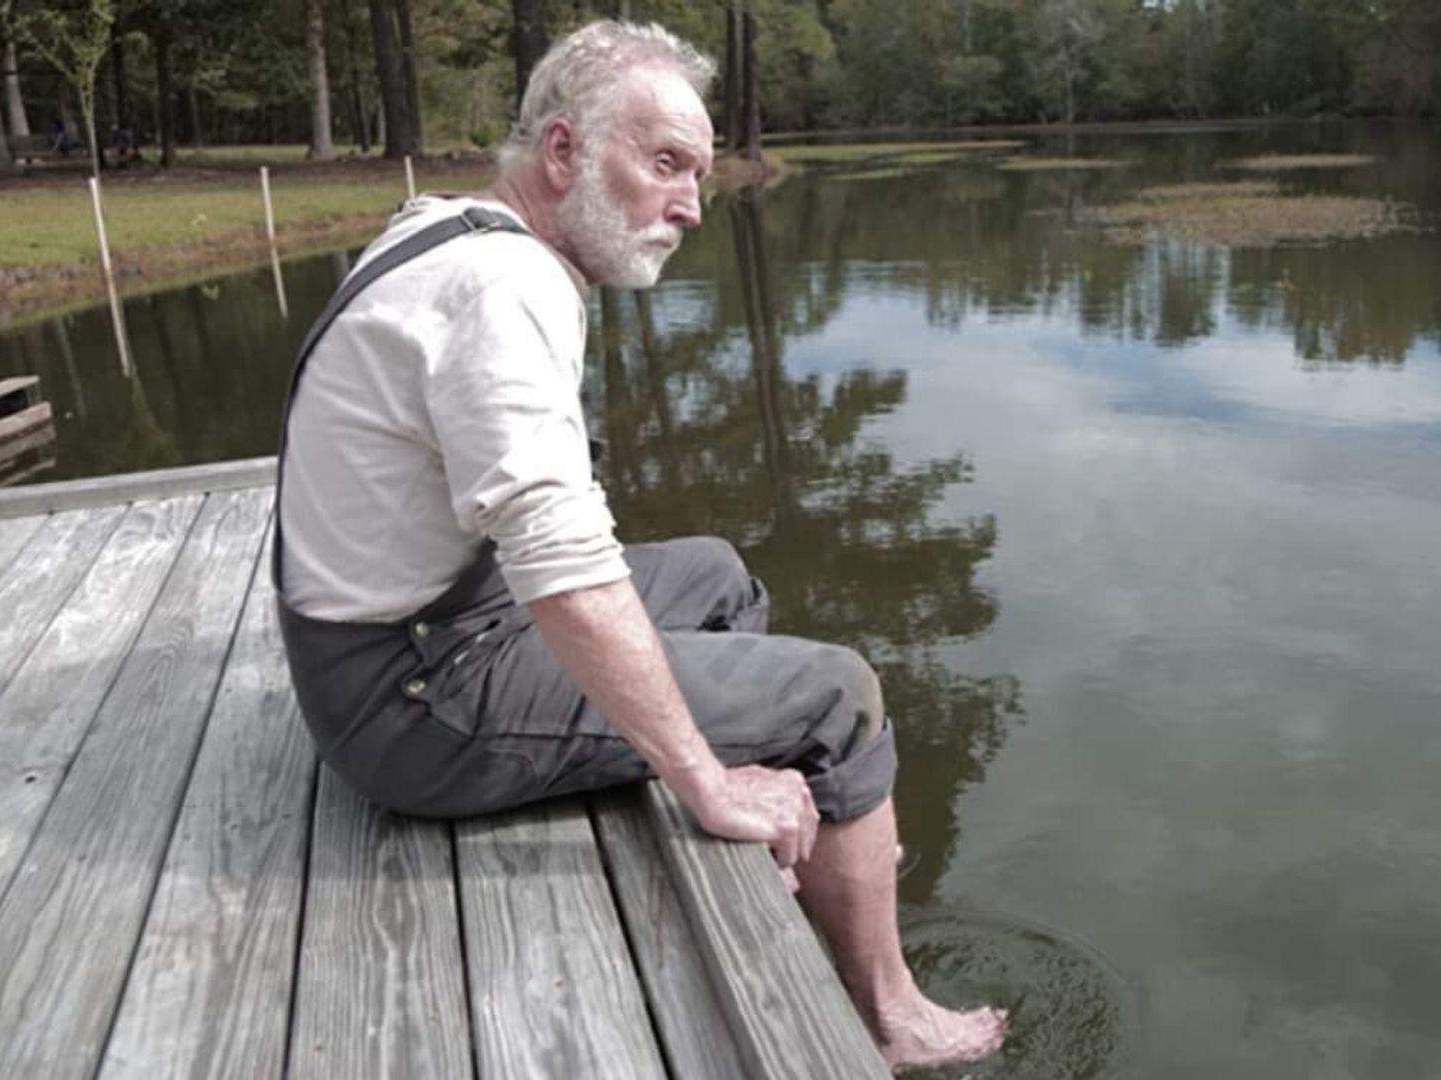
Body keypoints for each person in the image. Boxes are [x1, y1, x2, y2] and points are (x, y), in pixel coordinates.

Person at [273, 19, 1006, 1071]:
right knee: (838, 699)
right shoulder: (504, 290)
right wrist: (702, 776)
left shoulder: (457, 229)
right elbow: (560, 565)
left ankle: (782, 835)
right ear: (564, 152)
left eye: (699, 175)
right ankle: (889, 1014)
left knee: (714, 570)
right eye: (663, 163)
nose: (692, 205)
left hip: (411, 632)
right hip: (412, 697)